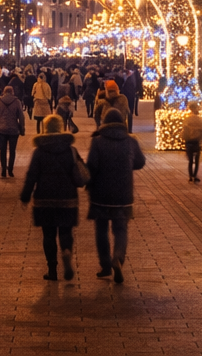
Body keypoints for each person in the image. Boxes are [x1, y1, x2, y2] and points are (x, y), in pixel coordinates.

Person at [20, 113, 83, 281]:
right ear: (61, 128)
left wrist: (25, 196)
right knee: (65, 230)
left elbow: (31, 175)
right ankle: (67, 251)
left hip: (44, 198)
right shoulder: (70, 150)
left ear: (46, 129)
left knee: (48, 235)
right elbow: (81, 171)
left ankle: (52, 269)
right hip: (67, 198)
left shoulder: (39, 151)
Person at [86, 108, 144, 283]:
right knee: (120, 229)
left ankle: (105, 265)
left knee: (101, 230)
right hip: (123, 194)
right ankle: (118, 258)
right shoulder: (130, 141)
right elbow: (140, 162)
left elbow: (91, 166)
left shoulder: (98, 142)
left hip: (101, 194)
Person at [0, 85, 26, 178]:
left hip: (1, 129)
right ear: (12, 91)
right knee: (12, 151)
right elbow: (21, 116)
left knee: (3, 150)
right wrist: (22, 127)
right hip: (14, 129)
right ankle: (10, 170)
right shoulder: (17, 101)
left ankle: (3, 170)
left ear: (4, 92)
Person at [181, 102, 202, 183]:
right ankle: (195, 175)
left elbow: (184, 131)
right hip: (197, 141)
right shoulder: (199, 119)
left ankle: (190, 176)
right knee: (197, 160)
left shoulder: (187, 119)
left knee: (190, 160)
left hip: (188, 141)